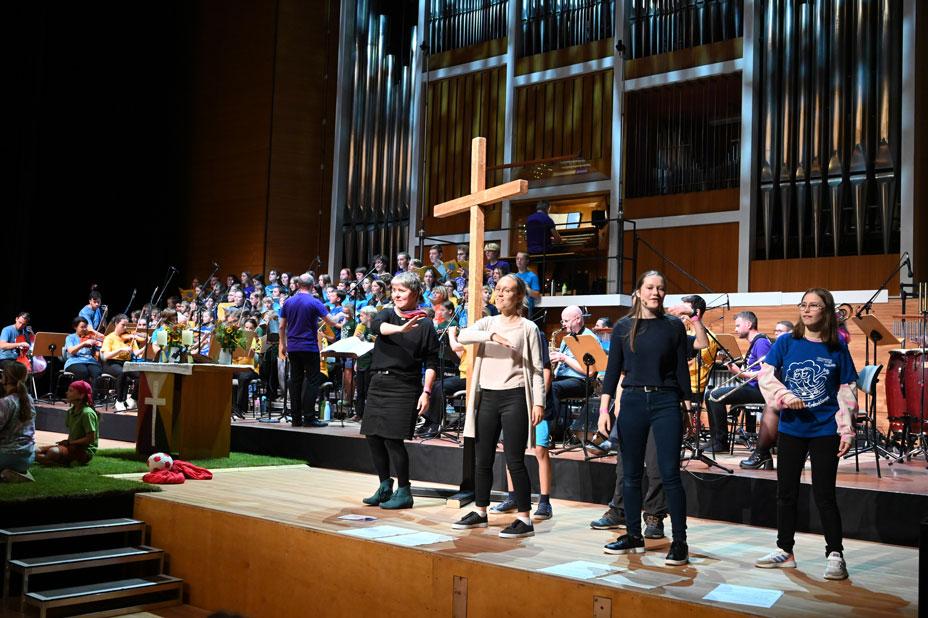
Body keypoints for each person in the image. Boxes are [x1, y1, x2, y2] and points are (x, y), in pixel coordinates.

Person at [755, 288, 857, 581]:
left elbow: (846, 389)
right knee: (786, 492)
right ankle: (785, 551)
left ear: (826, 311)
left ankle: (835, 554)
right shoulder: (788, 341)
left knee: (825, 494)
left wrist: (847, 429)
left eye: (814, 305)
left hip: (824, 429)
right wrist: (785, 395)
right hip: (791, 429)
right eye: (803, 305)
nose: (807, 309)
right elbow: (767, 375)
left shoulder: (837, 346)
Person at [598, 270, 692, 565]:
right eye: (650, 287)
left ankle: (680, 542)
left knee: (669, 473)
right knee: (631, 473)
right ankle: (634, 535)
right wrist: (604, 408)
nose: (656, 292)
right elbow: (613, 371)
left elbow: (680, 370)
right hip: (634, 400)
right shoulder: (624, 326)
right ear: (638, 292)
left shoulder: (673, 326)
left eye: (661, 288)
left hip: (666, 401)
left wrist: (687, 406)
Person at [452, 275, 545, 538]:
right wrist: (492, 335)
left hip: (514, 396)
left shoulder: (528, 328)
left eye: (508, 290)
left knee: (515, 459)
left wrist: (539, 402)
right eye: (499, 289)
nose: (501, 294)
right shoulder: (488, 323)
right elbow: (465, 335)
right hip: (488, 397)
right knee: (482, 459)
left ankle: (525, 519)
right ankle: (480, 512)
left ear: (518, 297)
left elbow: (537, 369)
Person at [360, 272, 440, 510]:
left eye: (401, 290)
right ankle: (385, 486)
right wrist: (400, 330)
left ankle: (405, 491)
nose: (396, 294)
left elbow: (432, 362)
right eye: (394, 290)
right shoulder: (387, 313)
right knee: (373, 436)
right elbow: (376, 326)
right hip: (379, 383)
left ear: (415, 293)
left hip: (405, 385)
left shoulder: (425, 324)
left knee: (393, 439)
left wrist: (426, 392)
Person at [490, 325, 555, 521]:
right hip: (513, 399)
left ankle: (545, 501)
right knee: (510, 449)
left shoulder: (536, 333)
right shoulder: (499, 334)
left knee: (540, 450)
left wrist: (538, 401)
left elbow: (545, 370)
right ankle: (513, 497)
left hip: (535, 402)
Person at [703, 311, 773, 453]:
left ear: (748, 325)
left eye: (738, 325)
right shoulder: (755, 343)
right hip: (752, 387)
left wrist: (739, 372)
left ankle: (720, 442)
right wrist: (730, 365)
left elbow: (767, 372)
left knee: (714, 395)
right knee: (710, 394)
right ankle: (716, 440)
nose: (735, 329)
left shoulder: (761, 343)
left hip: (760, 390)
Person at [279, 273, 340, 428]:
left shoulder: (288, 302)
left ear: (298, 285)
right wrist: (341, 317)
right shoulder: (314, 302)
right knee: (312, 381)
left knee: (295, 381)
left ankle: (295, 419)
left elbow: (281, 326)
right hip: (309, 347)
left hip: (292, 347)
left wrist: (283, 344)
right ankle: (309, 417)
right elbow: (331, 322)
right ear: (313, 286)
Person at [742, 320, 794, 469]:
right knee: (773, 405)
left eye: (780, 331)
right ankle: (762, 453)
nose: (776, 334)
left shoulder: (793, 346)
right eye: (775, 330)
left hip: (802, 393)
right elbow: (768, 372)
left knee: (774, 406)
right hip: (782, 391)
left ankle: (762, 453)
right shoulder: (778, 348)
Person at [549, 306, 596, 434]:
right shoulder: (567, 338)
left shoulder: (588, 338)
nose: (563, 324)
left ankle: (551, 433)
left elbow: (590, 371)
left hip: (582, 381)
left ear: (577, 319)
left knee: (553, 388)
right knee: (541, 384)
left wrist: (563, 358)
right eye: (562, 321)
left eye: (566, 321)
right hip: (563, 379)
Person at [37, 380, 98, 465]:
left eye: (71, 391)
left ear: (81, 395)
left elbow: (90, 439)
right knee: (37, 450)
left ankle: (62, 461)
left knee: (53, 452)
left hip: (84, 451)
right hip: (72, 445)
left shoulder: (87, 413)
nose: (67, 393)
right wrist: (68, 443)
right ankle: (55, 461)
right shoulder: (71, 411)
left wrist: (70, 443)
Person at [0, 362, 36, 482]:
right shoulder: (29, 399)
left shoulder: (6, 402)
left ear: (5, 378)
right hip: (27, 457)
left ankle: (7, 473)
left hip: (7, 455)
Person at [101, 314, 137, 411]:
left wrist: (147, 344)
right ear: (116, 324)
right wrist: (120, 349)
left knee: (142, 375)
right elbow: (106, 356)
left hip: (127, 363)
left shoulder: (129, 337)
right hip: (111, 363)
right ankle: (119, 400)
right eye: (123, 325)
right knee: (122, 372)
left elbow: (137, 353)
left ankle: (133, 399)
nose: (125, 328)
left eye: (126, 326)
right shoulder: (109, 337)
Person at [64, 317, 103, 386]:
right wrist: (83, 344)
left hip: (90, 361)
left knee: (97, 373)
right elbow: (71, 351)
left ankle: (93, 396)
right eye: (82, 327)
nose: (85, 329)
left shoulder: (90, 336)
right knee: (83, 371)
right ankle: (82, 394)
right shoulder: (70, 337)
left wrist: (98, 343)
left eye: (86, 327)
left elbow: (102, 340)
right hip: (75, 361)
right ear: (75, 327)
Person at [513, 252, 542, 318]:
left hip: (525, 306)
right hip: (514, 303)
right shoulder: (514, 276)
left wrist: (526, 288)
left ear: (527, 261)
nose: (519, 261)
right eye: (517, 259)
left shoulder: (532, 276)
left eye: (521, 259)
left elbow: (537, 295)